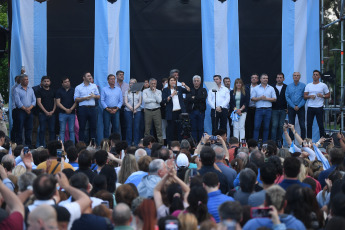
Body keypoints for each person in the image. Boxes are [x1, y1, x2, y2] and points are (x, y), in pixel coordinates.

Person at [162, 76, 190, 143]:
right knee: (171, 129)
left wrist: (185, 85)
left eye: (174, 80)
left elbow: (188, 91)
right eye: (171, 80)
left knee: (180, 129)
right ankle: (170, 144)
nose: (173, 82)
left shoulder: (179, 88)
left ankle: (180, 143)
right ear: (169, 82)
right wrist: (172, 95)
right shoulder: (166, 90)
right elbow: (164, 101)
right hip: (171, 112)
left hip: (180, 112)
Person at [74, 72, 100, 143]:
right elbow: (76, 99)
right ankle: (81, 144)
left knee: (93, 127)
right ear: (84, 78)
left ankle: (93, 144)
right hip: (83, 109)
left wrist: (93, 96)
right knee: (82, 127)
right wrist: (85, 98)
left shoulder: (94, 86)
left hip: (92, 108)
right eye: (88, 76)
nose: (90, 77)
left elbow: (98, 96)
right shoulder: (78, 87)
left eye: (90, 76)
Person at [304, 70, 330, 139]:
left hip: (319, 107)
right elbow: (305, 96)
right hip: (310, 107)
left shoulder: (323, 85)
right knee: (309, 125)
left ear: (319, 76)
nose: (315, 76)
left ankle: (322, 141)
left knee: (320, 125)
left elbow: (328, 95)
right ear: (312, 76)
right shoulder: (308, 85)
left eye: (316, 75)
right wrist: (310, 96)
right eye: (314, 74)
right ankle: (309, 141)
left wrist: (322, 96)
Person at [251, 73, 277, 142]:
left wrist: (266, 99)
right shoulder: (256, 88)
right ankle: (255, 143)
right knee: (256, 127)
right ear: (260, 79)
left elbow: (274, 99)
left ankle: (265, 143)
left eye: (266, 78)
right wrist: (260, 98)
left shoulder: (271, 88)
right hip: (258, 110)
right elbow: (252, 98)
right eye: (264, 78)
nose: (265, 79)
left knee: (266, 127)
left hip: (268, 110)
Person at [14, 74, 36, 145]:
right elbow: (18, 102)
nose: (27, 81)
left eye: (27, 79)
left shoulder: (31, 89)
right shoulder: (17, 89)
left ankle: (28, 145)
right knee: (19, 128)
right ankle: (19, 145)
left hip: (30, 111)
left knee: (29, 129)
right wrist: (25, 109)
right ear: (21, 81)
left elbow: (34, 100)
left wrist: (29, 108)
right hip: (20, 111)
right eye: (25, 79)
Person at [185, 75, 207, 142]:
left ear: (200, 82)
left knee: (200, 128)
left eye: (197, 81)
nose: (196, 82)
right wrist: (197, 98)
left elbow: (203, 98)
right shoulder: (189, 90)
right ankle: (194, 143)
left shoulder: (203, 90)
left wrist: (194, 98)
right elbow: (188, 99)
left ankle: (201, 142)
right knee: (193, 128)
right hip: (192, 112)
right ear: (193, 82)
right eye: (195, 81)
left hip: (201, 111)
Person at [101, 74, 123, 138]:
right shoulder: (104, 89)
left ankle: (115, 143)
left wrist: (116, 109)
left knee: (116, 128)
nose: (113, 80)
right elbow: (102, 100)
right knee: (106, 128)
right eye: (111, 79)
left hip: (116, 110)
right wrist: (107, 109)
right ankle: (106, 144)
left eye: (114, 79)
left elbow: (121, 101)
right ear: (108, 80)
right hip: (107, 110)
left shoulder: (118, 89)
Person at [285, 72, 306, 139]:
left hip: (301, 107)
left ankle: (303, 142)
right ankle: (291, 143)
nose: (296, 77)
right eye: (294, 75)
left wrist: (299, 106)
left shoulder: (303, 86)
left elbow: (304, 97)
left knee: (302, 125)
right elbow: (287, 97)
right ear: (292, 77)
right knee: (291, 125)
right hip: (291, 108)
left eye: (297, 75)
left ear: (300, 77)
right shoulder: (289, 86)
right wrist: (293, 106)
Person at [36, 76, 56, 146]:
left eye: (48, 81)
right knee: (42, 130)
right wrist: (46, 112)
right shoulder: (39, 91)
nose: (46, 83)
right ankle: (42, 146)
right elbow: (39, 102)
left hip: (52, 114)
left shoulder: (53, 91)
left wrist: (53, 111)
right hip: (42, 114)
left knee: (52, 130)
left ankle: (52, 146)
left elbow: (55, 102)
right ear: (42, 82)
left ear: (50, 82)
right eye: (45, 81)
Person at [56, 77, 77, 143]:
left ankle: (72, 145)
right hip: (62, 113)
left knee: (72, 130)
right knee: (62, 130)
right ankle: (61, 145)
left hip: (72, 113)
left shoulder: (74, 90)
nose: (67, 83)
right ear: (62, 84)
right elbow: (58, 103)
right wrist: (66, 109)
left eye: (68, 81)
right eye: (65, 82)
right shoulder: (59, 91)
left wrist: (70, 109)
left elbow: (76, 102)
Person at [143, 78, 163, 144]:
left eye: (154, 84)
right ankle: (147, 144)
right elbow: (145, 100)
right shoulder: (145, 91)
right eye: (152, 84)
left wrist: (154, 93)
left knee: (159, 128)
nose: (153, 85)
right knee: (147, 128)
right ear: (149, 84)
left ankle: (161, 144)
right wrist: (154, 100)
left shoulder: (159, 91)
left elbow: (159, 101)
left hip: (156, 111)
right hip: (148, 111)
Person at [124, 78, 142, 146]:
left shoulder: (139, 92)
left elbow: (140, 102)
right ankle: (128, 143)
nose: (131, 84)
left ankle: (136, 143)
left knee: (136, 127)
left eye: (133, 83)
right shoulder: (126, 92)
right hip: (128, 111)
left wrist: (135, 108)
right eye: (130, 83)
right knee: (129, 127)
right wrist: (132, 108)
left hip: (137, 111)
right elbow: (126, 102)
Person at [271, 73, 287, 143]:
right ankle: (273, 142)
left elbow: (288, 98)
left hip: (284, 109)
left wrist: (288, 108)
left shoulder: (287, 87)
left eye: (281, 77)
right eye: (278, 77)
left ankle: (279, 141)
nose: (279, 79)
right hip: (274, 109)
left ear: (283, 79)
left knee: (281, 126)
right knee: (274, 126)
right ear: (276, 79)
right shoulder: (272, 87)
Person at [115, 70, 129, 140]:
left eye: (123, 74)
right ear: (117, 76)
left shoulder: (127, 85)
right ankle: (115, 141)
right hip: (115, 108)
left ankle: (124, 141)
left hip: (124, 107)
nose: (122, 76)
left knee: (124, 126)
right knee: (115, 126)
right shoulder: (113, 85)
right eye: (120, 75)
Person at [245, 73, 259, 140]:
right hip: (248, 108)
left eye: (255, 77)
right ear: (250, 79)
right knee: (248, 125)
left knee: (256, 125)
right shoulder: (246, 87)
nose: (254, 78)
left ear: (258, 79)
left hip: (257, 109)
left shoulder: (260, 87)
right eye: (252, 77)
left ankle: (256, 140)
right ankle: (248, 140)